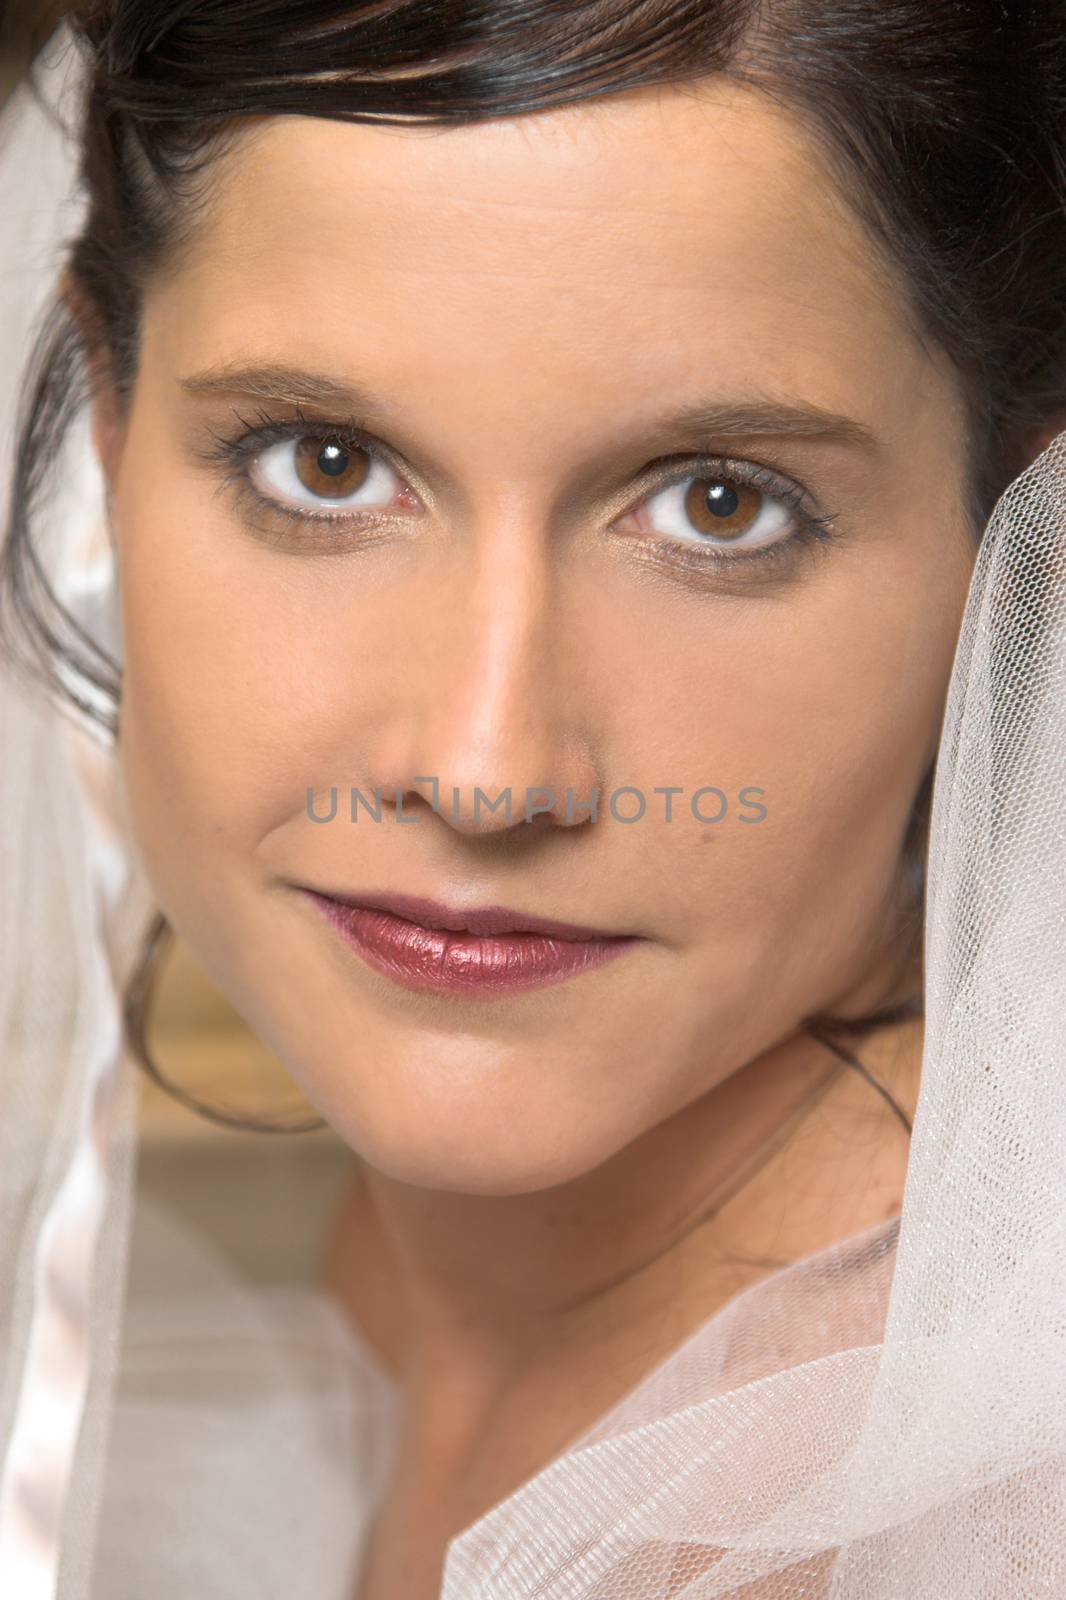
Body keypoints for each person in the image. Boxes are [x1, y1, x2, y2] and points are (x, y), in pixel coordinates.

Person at [1, 5, 1065, 1598]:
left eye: (721, 503)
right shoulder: (324, 1279)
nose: (488, 769)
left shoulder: (962, 1518)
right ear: (110, 417)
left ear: (1016, 551)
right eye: (326, 464)